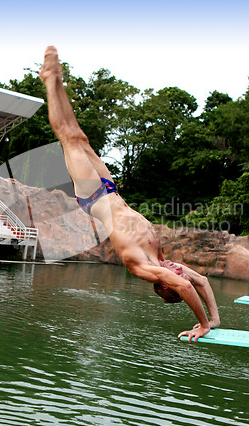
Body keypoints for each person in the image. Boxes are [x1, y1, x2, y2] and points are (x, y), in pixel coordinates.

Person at [40, 46, 220, 343]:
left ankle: (49, 80)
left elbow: (187, 287)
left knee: (68, 138)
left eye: (177, 275)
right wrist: (213, 319)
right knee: (79, 136)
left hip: (92, 196)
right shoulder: (163, 263)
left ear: (164, 286)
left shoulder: (145, 267)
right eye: (179, 272)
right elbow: (200, 281)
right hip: (109, 188)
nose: (181, 270)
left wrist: (199, 325)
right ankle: (56, 79)